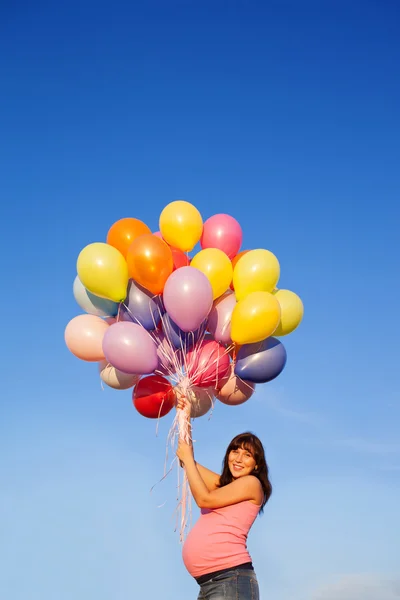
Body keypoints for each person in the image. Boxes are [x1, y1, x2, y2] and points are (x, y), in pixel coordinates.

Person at [176, 398, 272, 600]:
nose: (238, 459)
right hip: (213, 583)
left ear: (256, 465)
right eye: (235, 451)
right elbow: (188, 462)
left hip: (230, 579)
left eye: (247, 455)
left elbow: (204, 499)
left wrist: (187, 459)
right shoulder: (226, 487)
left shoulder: (252, 484)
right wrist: (186, 415)